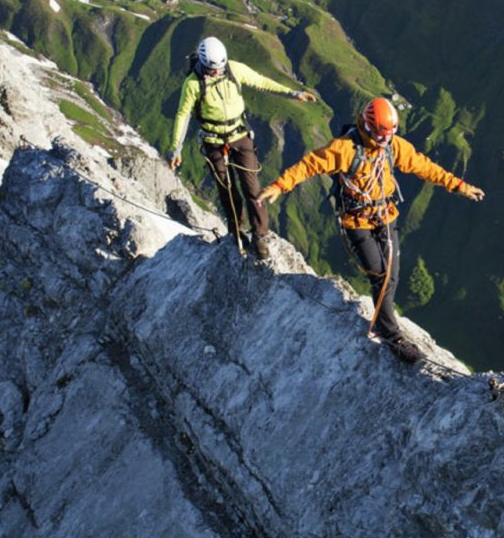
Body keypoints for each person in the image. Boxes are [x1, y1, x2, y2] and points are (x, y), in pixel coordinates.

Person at [259, 96, 483, 363]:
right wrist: (279, 185)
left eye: (388, 135)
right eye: (380, 136)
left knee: (391, 274)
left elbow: (424, 166)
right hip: (357, 220)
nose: (383, 141)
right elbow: (309, 165)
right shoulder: (344, 150)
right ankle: (390, 333)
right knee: (380, 272)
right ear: (366, 126)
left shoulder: (393, 147)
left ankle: (385, 327)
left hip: (385, 215)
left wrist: (459, 185)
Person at [167, 36, 318, 258]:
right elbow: (183, 114)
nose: (217, 72)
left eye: (219, 68)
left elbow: (262, 81)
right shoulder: (192, 83)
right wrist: (175, 149)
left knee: (252, 187)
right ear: (203, 64)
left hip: (239, 134)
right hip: (214, 140)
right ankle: (237, 233)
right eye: (212, 69)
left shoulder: (233, 69)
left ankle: (260, 236)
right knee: (227, 190)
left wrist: (294, 94)